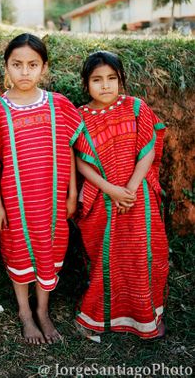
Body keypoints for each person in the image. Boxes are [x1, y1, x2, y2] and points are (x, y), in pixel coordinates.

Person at [0, 33, 83, 344]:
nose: (24, 72)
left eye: (32, 64)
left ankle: (43, 309)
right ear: (6, 67)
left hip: (52, 200)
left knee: (49, 249)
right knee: (18, 252)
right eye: (17, 64)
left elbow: (68, 149)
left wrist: (70, 194)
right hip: (15, 201)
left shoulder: (59, 105)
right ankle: (25, 311)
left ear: (44, 68)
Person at [74, 51, 168, 339]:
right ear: (86, 83)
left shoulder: (136, 107)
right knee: (109, 257)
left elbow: (148, 147)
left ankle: (147, 316)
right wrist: (112, 190)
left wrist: (130, 188)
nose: (105, 86)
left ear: (121, 80)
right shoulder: (80, 116)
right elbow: (80, 161)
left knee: (147, 253)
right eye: (97, 80)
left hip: (139, 198)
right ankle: (103, 316)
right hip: (103, 199)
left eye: (112, 79)